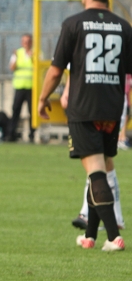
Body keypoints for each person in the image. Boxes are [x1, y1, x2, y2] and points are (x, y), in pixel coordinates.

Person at [39, 0, 131, 252]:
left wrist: (43, 98)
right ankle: (90, 235)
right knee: (99, 168)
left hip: (83, 108)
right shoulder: (125, 28)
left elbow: (55, 71)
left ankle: (113, 237)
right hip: (112, 109)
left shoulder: (73, 24)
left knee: (95, 172)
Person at [59, 75, 125, 232]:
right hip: (111, 102)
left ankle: (112, 233)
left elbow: (71, 67)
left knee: (96, 165)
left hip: (89, 105)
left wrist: (67, 90)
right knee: (101, 164)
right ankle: (100, 224)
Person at [8, 34, 34, 142]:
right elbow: (12, 68)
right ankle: (12, 134)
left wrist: (32, 57)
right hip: (19, 86)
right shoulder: (17, 53)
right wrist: (16, 58)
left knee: (32, 112)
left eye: (28, 41)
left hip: (32, 87)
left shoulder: (36, 53)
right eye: (24, 41)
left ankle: (32, 135)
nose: (26, 43)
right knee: (16, 111)